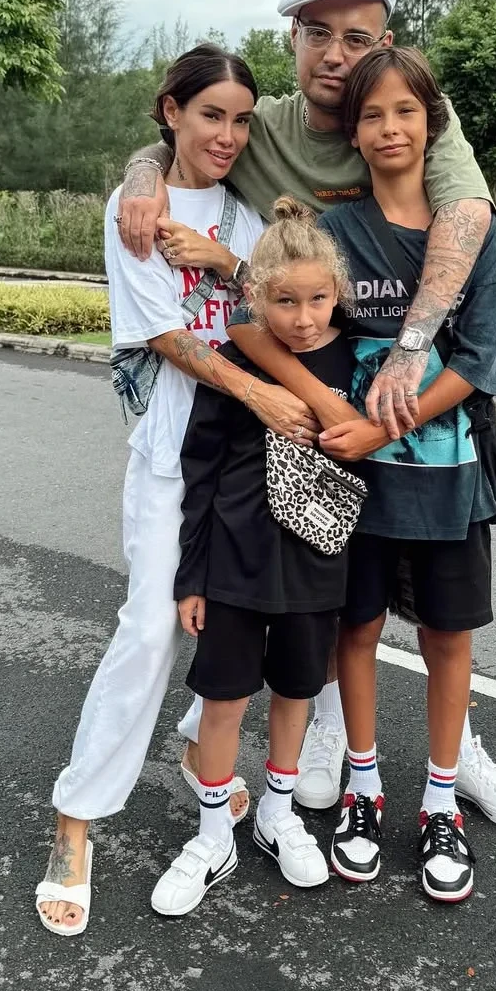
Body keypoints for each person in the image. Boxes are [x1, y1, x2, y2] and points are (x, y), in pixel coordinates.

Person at [122, 0, 496, 835]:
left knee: (444, 625)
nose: (338, 55)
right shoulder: (270, 132)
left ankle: (455, 757)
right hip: (332, 439)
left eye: (358, 37)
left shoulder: (417, 115)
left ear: (386, 47)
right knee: (337, 607)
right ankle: (332, 743)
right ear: (295, 39)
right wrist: (142, 173)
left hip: (434, 439)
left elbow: (468, 232)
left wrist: (405, 368)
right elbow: (195, 135)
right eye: (319, 34)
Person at [35, 46, 322, 936]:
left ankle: (205, 749)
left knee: (245, 614)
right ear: (171, 111)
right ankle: (76, 818)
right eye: (210, 116)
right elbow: (164, 332)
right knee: (151, 625)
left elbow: (288, 299)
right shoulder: (138, 207)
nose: (228, 136)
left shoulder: (247, 211)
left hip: (250, 461)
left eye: (240, 120)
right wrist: (259, 393)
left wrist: (230, 265)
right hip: (175, 448)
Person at [314, 46, 496, 901]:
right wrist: (347, 430)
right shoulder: (335, 232)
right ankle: (362, 788)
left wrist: (379, 425)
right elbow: (302, 334)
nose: (389, 128)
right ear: (352, 133)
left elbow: (476, 361)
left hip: (449, 479)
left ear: (431, 124)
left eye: (406, 111)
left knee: (447, 638)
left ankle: (442, 803)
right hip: (356, 482)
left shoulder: (476, 231)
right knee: (356, 630)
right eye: (372, 114)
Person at [152, 198, 355, 917]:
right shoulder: (236, 365)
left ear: (338, 292)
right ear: (257, 296)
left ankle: (277, 813)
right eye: (285, 301)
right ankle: (212, 835)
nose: (303, 318)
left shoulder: (357, 358)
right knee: (224, 700)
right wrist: (193, 578)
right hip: (234, 568)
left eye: (318, 299)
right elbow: (201, 472)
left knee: (298, 693)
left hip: (317, 569)